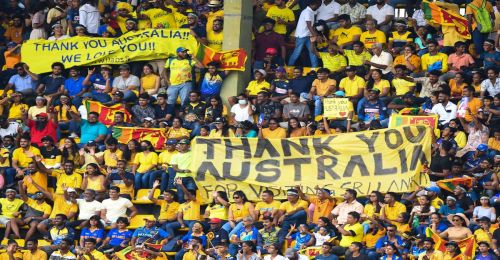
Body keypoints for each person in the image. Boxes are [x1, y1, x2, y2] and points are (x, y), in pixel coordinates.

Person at [288, 0, 321, 68]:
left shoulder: (311, 11)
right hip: (302, 35)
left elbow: (311, 26)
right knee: (297, 52)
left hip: (308, 35)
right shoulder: (307, 12)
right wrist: (316, 36)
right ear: (313, 4)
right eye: (318, 5)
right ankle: (289, 66)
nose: (319, 6)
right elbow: (309, 26)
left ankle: (315, 68)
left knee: (312, 51)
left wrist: (315, 35)